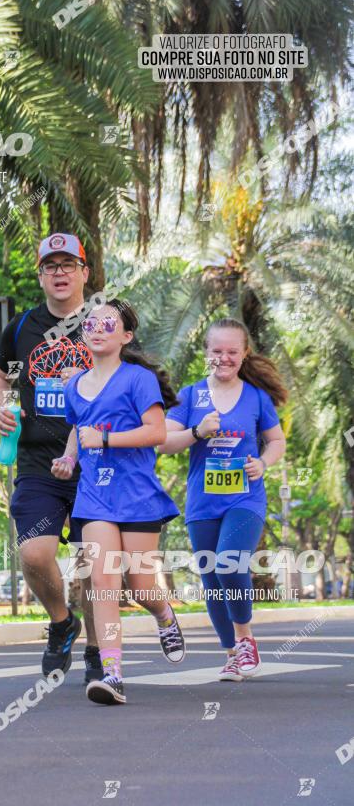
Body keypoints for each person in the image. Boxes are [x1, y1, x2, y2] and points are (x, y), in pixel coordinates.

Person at [52, 299, 185, 706]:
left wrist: (106, 439)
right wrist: (69, 457)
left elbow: (157, 432)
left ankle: (164, 615)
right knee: (104, 583)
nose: (96, 327)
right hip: (94, 498)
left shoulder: (138, 379)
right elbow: (78, 429)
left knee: (141, 586)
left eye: (108, 323)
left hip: (139, 497)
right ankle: (113, 674)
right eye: (91, 322)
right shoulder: (74, 385)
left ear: (125, 336)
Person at [0, 233, 102, 682]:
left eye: (68, 264)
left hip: (96, 462)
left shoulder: (104, 322)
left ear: (84, 273)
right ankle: (61, 622)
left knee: (94, 562)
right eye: (50, 265)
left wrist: (89, 379)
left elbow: (131, 385)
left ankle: (97, 651)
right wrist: (1, 408)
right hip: (37, 461)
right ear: (41, 274)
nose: (59, 272)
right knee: (34, 553)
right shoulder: (21, 327)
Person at [162, 317, 287, 681]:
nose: (224, 358)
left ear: (244, 353)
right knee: (212, 582)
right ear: (206, 353)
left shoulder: (256, 397)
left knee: (229, 563)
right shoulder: (189, 396)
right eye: (217, 351)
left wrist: (263, 462)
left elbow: (276, 440)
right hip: (202, 503)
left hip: (245, 499)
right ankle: (232, 653)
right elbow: (165, 442)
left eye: (232, 351)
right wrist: (197, 432)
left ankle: (246, 638)